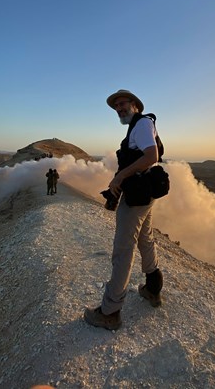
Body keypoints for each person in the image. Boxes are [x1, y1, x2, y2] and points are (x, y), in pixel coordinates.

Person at [84, 89, 163, 330]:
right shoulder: (145, 124)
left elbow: (152, 156)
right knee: (145, 239)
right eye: (116, 106)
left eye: (122, 103)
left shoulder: (140, 124)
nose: (119, 108)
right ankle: (152, 288)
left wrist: (120, 176)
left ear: (134, 104)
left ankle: (110, 312)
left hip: (137, 197)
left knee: (123, 249)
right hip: (146, 193)